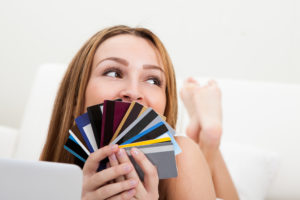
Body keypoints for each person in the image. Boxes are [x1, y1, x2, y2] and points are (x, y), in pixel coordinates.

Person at [40, 25, 239, 200]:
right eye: (114, 73)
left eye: (153, 80)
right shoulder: (46, 175)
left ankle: (209, 141)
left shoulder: (182, 159)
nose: (134, 92)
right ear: (76, 96)